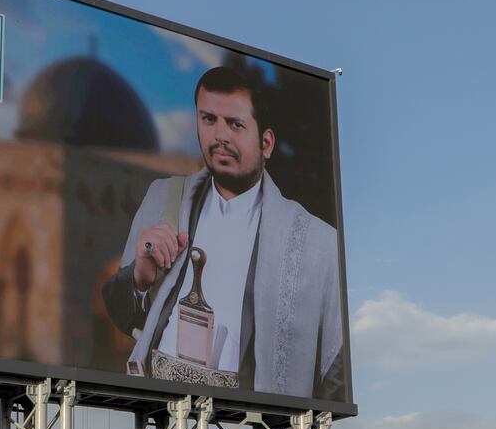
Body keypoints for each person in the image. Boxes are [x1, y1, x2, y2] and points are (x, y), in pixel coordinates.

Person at [100, 66, 345, 400]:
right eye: (208, 119)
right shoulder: (163, 198)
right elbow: (121, 315)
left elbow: (334, 368)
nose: (220, 137)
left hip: (257, 415)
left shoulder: (317, 241)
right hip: (164, 402)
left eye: (235, 124)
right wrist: (140, 279)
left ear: (267, 143)